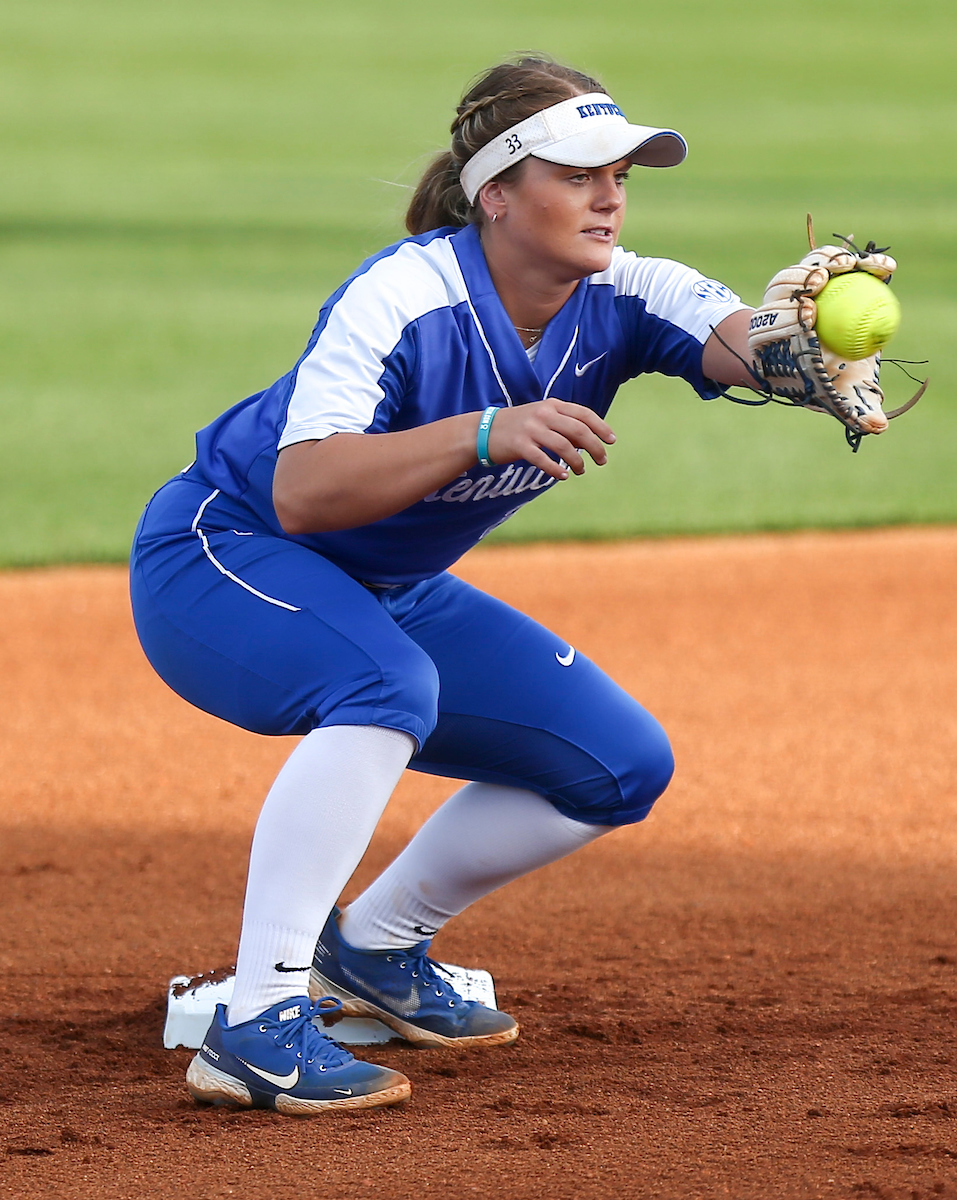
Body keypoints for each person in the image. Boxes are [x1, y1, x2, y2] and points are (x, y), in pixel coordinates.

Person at [130, 55, 759, 1116]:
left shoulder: (630, 289)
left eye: (619, 175)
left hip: (388, 586)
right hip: (223, 554)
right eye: (578, 174)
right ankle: (259, 1025)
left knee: (619, 764)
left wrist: (804, 350)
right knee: (386, 687)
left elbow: (743, 347)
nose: (609, 197)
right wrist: (480, 433)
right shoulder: (405, 293)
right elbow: (303, 488)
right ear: (497, 194)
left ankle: (375, 948)